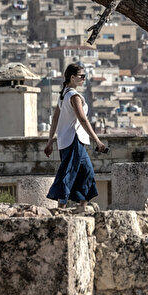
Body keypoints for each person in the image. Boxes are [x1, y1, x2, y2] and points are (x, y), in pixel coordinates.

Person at [44, 63, 108, 209]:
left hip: (68, 141)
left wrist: (50, 141)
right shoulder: (73, 96)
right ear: (72, 78)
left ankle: (82, 206)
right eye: (82, 76)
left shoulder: (64, 94)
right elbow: (82, 119)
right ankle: (61, 208)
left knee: (86, 171)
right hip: (74, 140)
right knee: (69, 172)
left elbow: (55, 119)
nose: (84, 79)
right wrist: (97, 140)